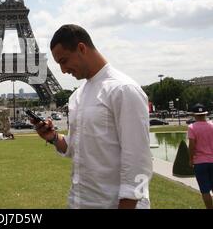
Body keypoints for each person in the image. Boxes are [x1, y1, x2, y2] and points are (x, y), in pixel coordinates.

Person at [32, 24, 152, 209]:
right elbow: (75, 148)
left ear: (81, 48)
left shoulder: (123, 90)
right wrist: (54, 138)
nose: (63, 70)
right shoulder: (77, 96)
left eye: (64, 61)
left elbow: (139, 160)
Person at [188, 103, 213, 209]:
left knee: (205, 190)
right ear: (205, 114)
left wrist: (190, 159)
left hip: (200, 163)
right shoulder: (212, 126)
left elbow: (192, 146)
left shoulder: (192, 127)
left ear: (194, 115)